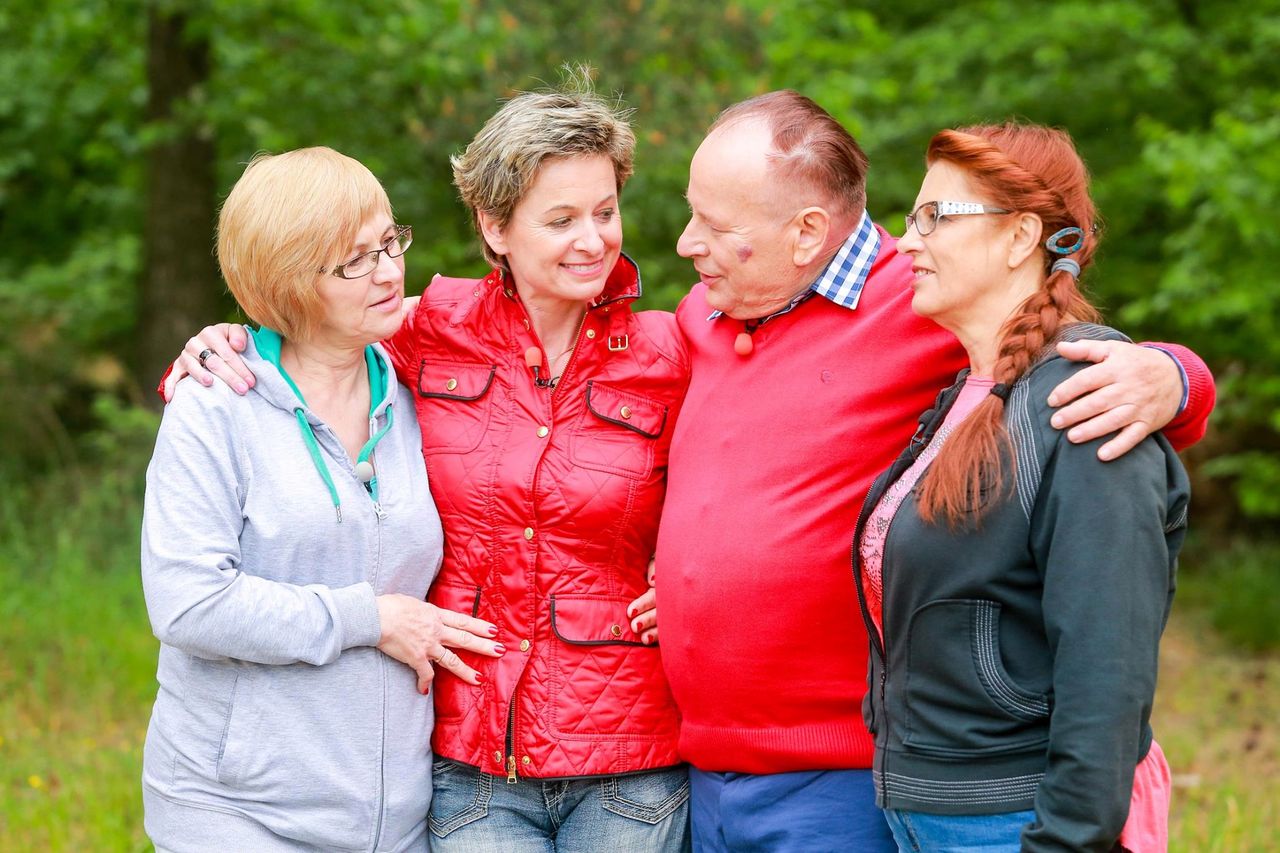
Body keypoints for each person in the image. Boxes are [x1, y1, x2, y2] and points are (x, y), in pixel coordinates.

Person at [654, 91, 1213, 851]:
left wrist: (1175, 376)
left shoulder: (920, 303)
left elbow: (1069, 351)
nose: (687, 242)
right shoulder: (701, 319)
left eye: (714, 226)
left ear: (807, 230)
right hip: (740, 772)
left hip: (868, 778)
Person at [159, 75, 692, 851]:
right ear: (495, 225)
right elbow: (307, 325)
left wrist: (688, 580)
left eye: (606, 212)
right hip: (468, 755)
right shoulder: (428, 331)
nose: (594, 240)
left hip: (625, 752)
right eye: (562, 218)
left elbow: (738, 483)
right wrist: (218, 342)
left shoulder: (673, 348)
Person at [140, 147, 502, 852]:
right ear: (289, 282)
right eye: (354, 261)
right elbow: (188, 601)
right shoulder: (217, 404)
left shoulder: (421, 382)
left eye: (390, 242)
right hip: (236, 810)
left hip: (395, 818)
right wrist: (369, 618)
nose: (391, 271)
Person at [855, 122, 1184, 852]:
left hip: (1013, 822)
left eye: (934, 216)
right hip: (926, 812)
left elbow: (1108, 671)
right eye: (912, 219)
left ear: (1019, 237)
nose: (907, 242)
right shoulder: (967, 396)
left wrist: (1064, 839)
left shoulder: (1086, 402)